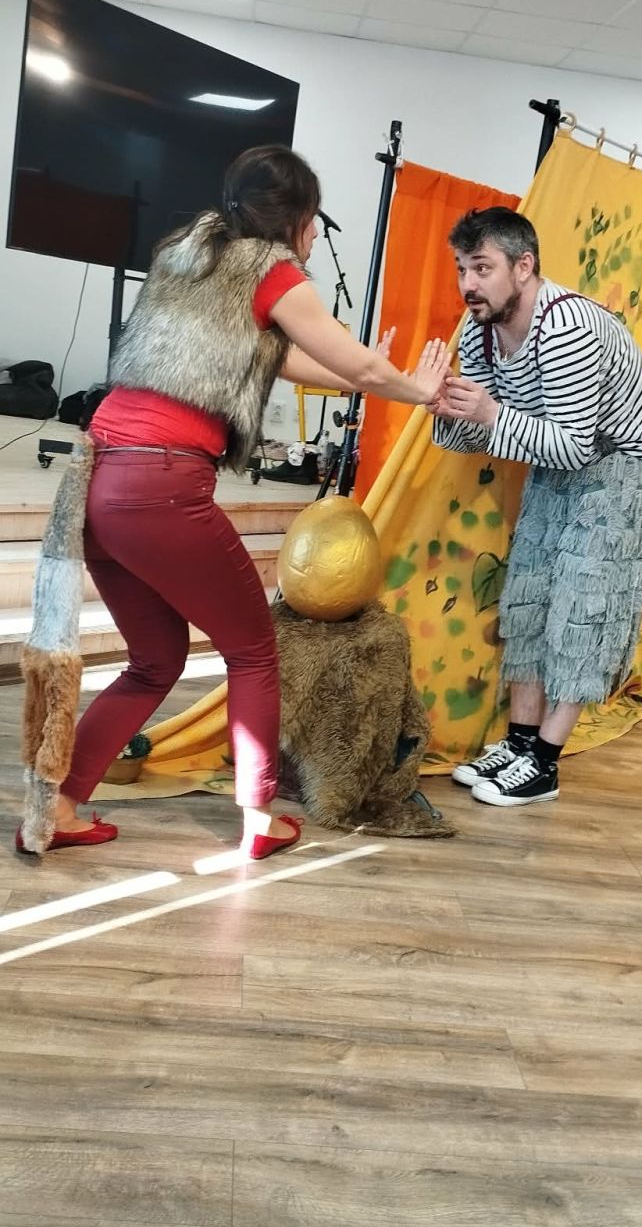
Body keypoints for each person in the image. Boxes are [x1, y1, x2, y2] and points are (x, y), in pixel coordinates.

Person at [19, 146, 449, 858]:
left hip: (98, 482)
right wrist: (412, 386)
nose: (315, 237)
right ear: (298, 217)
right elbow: (356, 362)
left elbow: (287, 359)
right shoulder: (272, 269)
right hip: (161, 486)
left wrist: (366, 374)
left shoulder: (189, 261)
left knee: (155, 659)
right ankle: (258, 820)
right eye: (315, 221)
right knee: (253, 651)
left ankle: (59, 807)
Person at [431, 206, 642, 808]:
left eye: (482, 268)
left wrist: (489, 413)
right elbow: (480, 436)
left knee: (583, 605)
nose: (468, 284)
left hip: (630, 460)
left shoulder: (567, 325)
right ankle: (520, 742)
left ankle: (543, 764)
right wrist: (441, 406)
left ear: (524, 267)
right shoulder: (479, 330)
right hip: (562, 451)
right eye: (462, 268)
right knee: (529, 594)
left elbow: (570, 444)